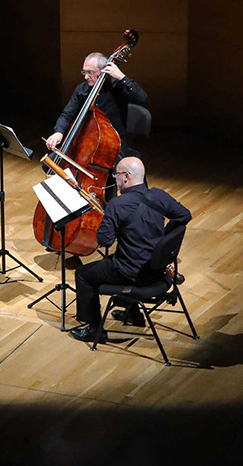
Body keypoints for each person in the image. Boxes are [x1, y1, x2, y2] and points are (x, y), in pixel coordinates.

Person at [70, 156, 191, 343]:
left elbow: (105, 241)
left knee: (84, 274)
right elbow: (184, 215)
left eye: (116, 174)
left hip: (133, 274)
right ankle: (134, 314)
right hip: (157, 271)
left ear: (126, 176)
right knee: (114, 262)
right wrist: (163, 240)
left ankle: (94, 330)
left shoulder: (117, 204)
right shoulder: (159, 195)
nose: (115, 179)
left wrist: (107, 220)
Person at [44, 51, 148, 200]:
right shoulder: (82, 89)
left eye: (90, 73)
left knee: (108, 175)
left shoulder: (116, 87)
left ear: (103, 70)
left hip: (115, 145)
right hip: (86, 143)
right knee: (51, 163)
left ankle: (110, 207)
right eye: (84, 72)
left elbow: (142, 97)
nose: (86, 77)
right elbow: (67, 114)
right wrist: (58, 132)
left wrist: (121, 77)